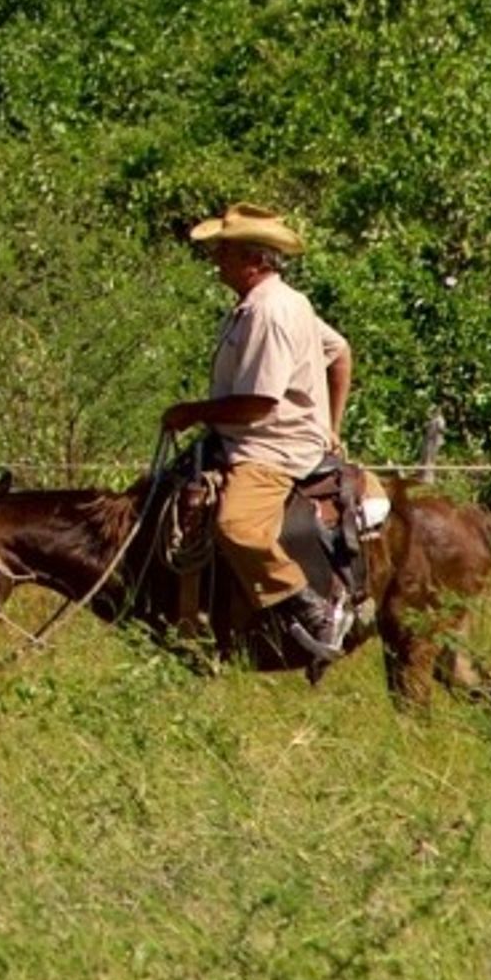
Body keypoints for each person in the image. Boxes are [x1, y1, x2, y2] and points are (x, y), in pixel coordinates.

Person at [157, 205, 358, 673]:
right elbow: (339, 351)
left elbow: (260, 403)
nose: (216, 260)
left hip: (268, 447)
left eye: (223, 251)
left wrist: (192, 413)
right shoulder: (279, 302)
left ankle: (312, 608)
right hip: (255, 438)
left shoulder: (268, 312)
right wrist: (330, 424)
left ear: (253, 259)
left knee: (236, 526)